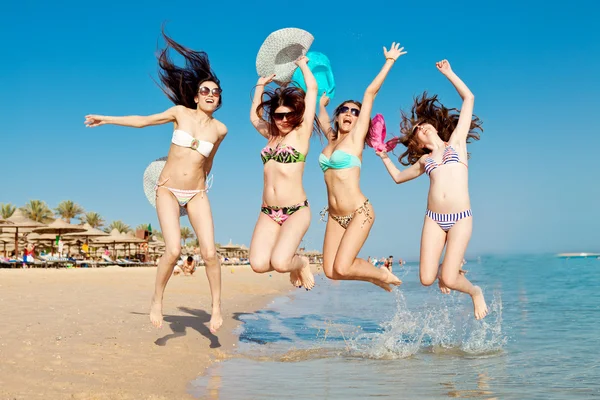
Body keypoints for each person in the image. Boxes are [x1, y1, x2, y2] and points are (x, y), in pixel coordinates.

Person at [84, 28, 226, 331]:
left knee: (210, 253)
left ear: (219, 100)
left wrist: (199, 189)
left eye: (215, 92)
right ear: (196, 96)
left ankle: (215, 308)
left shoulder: (220, 130)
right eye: (205, 91)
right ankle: (157, 300)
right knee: (173, 250)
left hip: (198, 193)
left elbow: (208, 162)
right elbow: (142, 122)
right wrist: (106, 118)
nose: (210, 95)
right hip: (168, 190)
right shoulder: (179, 113)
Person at [375, 59, 488, 319]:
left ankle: (474, 292)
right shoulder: (425, 160)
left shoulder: (456, 143)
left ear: (434, 127)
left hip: (461, 218)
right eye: (417, 131)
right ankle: (447, 270)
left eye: (422, 124)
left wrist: (449, 73)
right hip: (434, 219)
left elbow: (468, 97)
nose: (420, 127)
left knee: (448, 279)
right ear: (420, 144)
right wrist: (383, 158)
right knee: (427, 278)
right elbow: (398, 178)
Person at [317, 43, 405, 291]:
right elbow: (322, 116)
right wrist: (322, 104)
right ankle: (374, 276)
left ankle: (382, 273)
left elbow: (370, 93)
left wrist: (389, 61)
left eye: (355, 112)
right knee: (331, 272)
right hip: (335, 215)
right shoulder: (332, 141)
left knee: (343, 267)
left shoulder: (356, 140)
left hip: (359, 212)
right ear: (337, 116)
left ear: (360, 120)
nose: (348, 113)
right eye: (344, 109)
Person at [248, 55, 321, 290]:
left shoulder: (301, 133)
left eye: (289, 114)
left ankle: (300, 262)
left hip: (296, 210)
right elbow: (253, 118)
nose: (284, 119)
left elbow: (312, 89)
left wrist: (302, 65)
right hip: (268, 211)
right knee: (258, 265)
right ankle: (291, 263)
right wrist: (260, 86)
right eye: (279, 115)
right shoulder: (271, 135)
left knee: (280, 262)